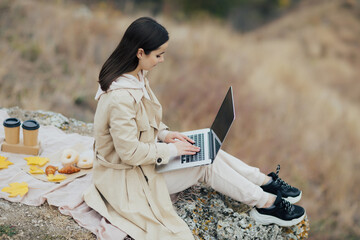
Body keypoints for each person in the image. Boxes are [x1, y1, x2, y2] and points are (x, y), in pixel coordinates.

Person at [84, 17, 305, 240]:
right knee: (204, 165)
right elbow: (129, 153)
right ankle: (266, 203)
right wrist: (173, 151)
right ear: (140, 52)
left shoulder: (135, 76)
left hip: (142, 166)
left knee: (206, 147)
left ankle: (264, 182)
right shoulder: (120, 97)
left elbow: (143, 119)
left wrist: (166, 134)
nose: (162, 60)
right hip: (128, 182)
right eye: (158, 55)